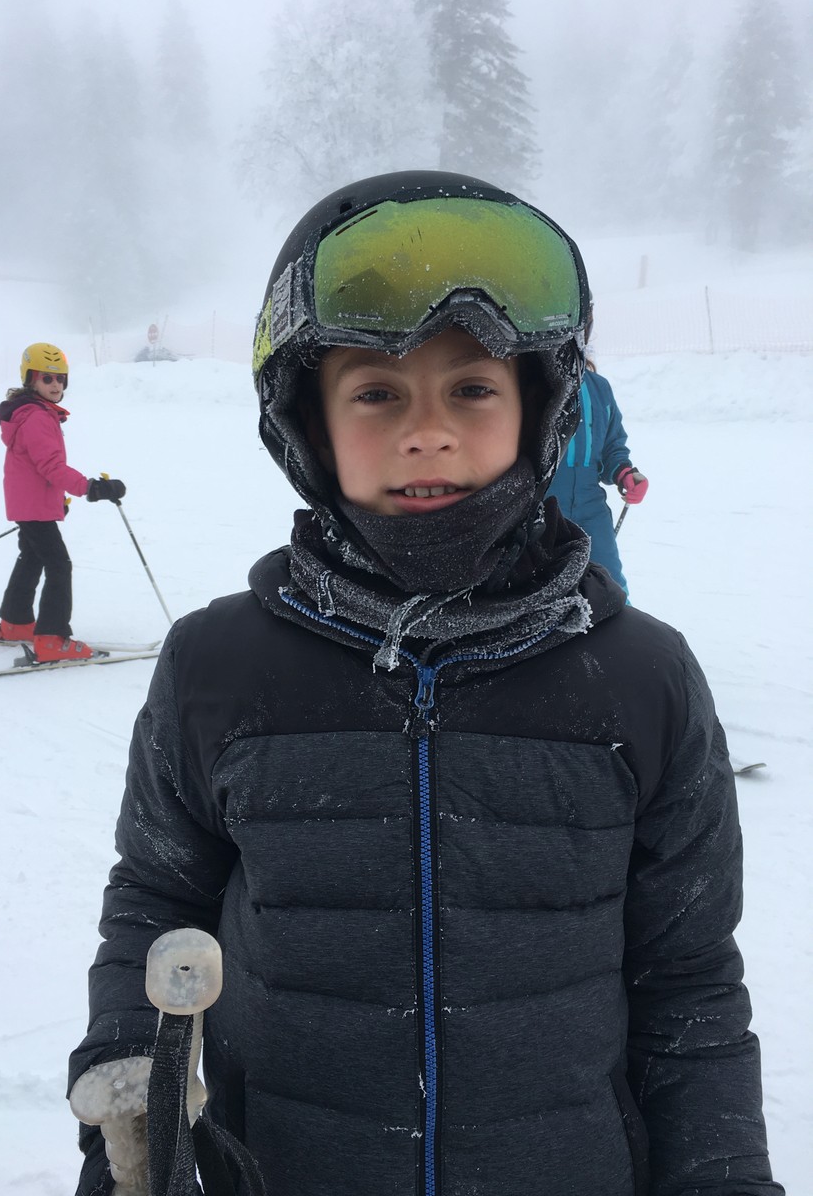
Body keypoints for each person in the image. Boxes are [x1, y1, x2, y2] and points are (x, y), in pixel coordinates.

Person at [68, 173, 782, 1196]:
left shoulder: (642, 680)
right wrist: (134, 1124)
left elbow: (690, 983)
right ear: (308, 422)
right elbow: (157, 901)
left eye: (472, 388)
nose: (427, 430)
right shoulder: (218, 668)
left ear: (540, 408)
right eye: (376, 392)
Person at [0, 342, 126, 663]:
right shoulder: (37, 417)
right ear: (31, 380)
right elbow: (50, 466)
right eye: (47, 378)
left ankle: (16, 622)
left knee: (31, 557)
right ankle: (52, 638)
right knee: (58, 564)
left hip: (30, 504)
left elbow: (35, 469)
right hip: (32, 507)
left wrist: (54, 502)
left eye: (60, 379)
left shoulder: (32, 413)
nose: (55, 385)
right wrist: (91, 488)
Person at [545, 306, 647, 595]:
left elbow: (612, 446)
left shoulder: (599, 388)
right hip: (542, 512)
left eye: (579, 320)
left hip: (591, 511)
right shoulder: (535, 385)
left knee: (610, 587)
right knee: (542, 591)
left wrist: (624, 472)